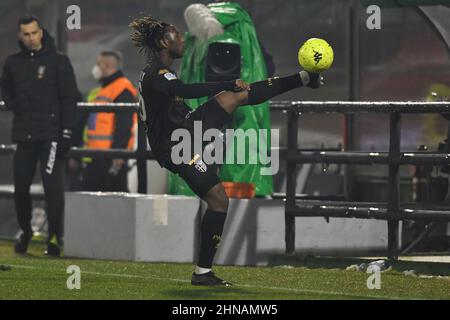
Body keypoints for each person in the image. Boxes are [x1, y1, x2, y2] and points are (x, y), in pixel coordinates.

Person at [129, 16, 322, 286]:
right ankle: (203, 272)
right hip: (175, 148)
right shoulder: (157, 74)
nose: (182, 40)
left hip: (184, 133)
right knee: (219, 199)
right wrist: (225, 82)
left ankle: (303, 78)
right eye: (177, 36)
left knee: (234, 99)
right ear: (164, 41)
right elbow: (182, 89)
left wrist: (222, 93)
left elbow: (177, 98)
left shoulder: (160, 72)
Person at [1, 15, 79, 256]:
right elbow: (6, 89)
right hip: (23, 136)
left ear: (41, 33)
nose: (31, 37)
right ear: (20, 36)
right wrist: (15, 105)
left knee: (52, 189)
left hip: (51, 137)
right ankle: (25, 231)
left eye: (34, 33)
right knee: (21, 189)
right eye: (26, 34)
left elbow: (69, 99)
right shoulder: (12, 62)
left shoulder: (59, 61)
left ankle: (54, 238)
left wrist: (67, 132)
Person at [82, 50, 138, 192]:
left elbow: (124, 124)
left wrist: (118, 154)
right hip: (98, 155)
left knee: (114, 199)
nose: (96, 67)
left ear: (106, 66)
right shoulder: (105, 88)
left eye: (98, 64)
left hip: (111, 157)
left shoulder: (122, 88)